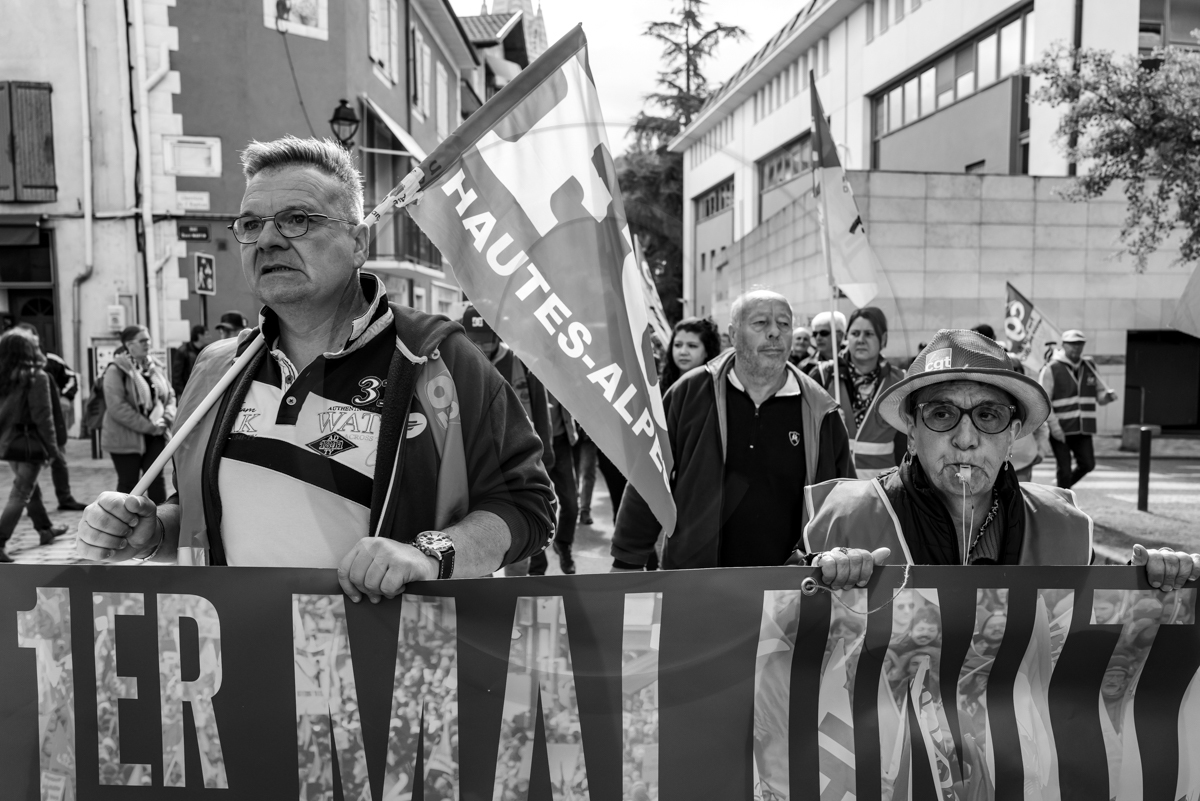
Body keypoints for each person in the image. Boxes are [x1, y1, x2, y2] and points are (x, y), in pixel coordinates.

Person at [76, 136, 555, 602]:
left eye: (296, 220)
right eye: (250, 224)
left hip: (392, 670)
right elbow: (201, 513)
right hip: (246, 665)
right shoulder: (216, 368)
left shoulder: (438, 359)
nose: (266, 240)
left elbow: (525, 505)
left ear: (358, 243)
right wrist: (155, 532)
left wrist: (427, 556)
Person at [800, 329, 1199, 592]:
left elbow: (1098, 648)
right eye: (941, 414)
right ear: (910, 427)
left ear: (1013, 434)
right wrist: (816, 575)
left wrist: (1148, 584)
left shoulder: (1066, 527)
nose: (966, 439)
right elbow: (777, 637)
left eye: (989, 415)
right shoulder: (841, 520)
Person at [611, 288, 854, 570]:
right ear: (734, 333)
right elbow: (650, 477)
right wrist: (627, 559)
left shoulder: (822, 411)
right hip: (697, 579)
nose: (775, 332)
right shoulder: (689, 394)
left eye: (784, 323)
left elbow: (846, 502)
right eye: (761, 323)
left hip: (790, 588)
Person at [460, 306, 556, 576]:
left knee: (517, 543)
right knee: (474, 544)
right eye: (474, 339)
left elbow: (541, 413)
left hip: (517, 466)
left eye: (487, 339)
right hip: (475, 468)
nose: (481, 345)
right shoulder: (458, 362)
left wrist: (545, 461)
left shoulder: (521, 363)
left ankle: (518, 596)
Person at [811, 307, 905, 478]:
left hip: (883, 492)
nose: (861, 340)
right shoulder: (823, 376)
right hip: (836, 488)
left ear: (883, 339)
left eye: (869, 334)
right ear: (847, 338)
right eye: (855, 333)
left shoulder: (899, 382)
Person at [0, 330, 69, 560]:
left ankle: (45, 530)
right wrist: (53, 450)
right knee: (21, 492)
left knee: (29, 487)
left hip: (9, 443)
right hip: (30, 445)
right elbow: (43, 417)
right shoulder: (35, 377)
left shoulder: (4, 376)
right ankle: (0, 540)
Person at [14, 323, 87, 510]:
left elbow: (71, 378)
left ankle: (64, 498)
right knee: (27, 472)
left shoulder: (50, 361)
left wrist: (65, 396)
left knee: (58, 460)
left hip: (49, 421)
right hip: (22, 428)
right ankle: (38, 516)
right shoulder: (11, 365)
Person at [102, 325, 176, 503]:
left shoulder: (155, 366)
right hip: (126, 436)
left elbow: (170, 395)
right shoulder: (116, 370)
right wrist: (149, 427)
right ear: (129, 345)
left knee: (156, 481)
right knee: (129, 485)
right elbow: (116, 407)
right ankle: (125, 526)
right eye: (142, 341)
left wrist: (167, 418)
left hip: (157, 434)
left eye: (148, 340)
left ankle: (161, 524)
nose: (147, 344)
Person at [1039, 329, 1116, 489]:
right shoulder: (1052, 368)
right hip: (1061, 428)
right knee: (1064, 470)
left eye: (1080, 344)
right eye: (1072, 345)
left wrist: (1107, 397)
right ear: (1064, 345)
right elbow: (1044, 400)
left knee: (1088, 464)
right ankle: (1063, 500)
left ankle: (1061, 489)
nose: (1076, 348)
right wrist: (1054, 427)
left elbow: (1100, 396)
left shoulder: (1089, 366)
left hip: (1083, 428)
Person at [172, 324, 209, 397]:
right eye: (206, 334)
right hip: (187, 393)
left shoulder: (206, 350)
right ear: (199, 336)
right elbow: (177, 375)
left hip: (202, 392)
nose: (209, 337)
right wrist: (182, 394)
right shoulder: (183, 351)